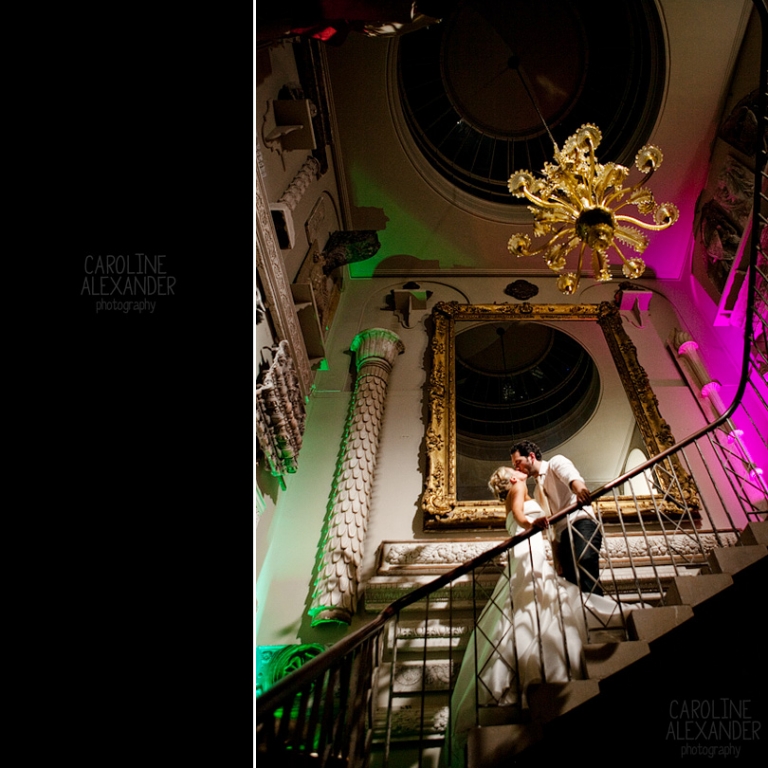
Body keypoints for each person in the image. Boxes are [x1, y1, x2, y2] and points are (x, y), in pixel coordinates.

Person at [443, 466, 587, 767]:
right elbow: (522, 515)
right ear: (510, 479)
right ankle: (535, 661)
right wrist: (533, 524)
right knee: (530, 594)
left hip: (524, 548)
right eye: (514, 470)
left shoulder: (513, 492)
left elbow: (519, 512)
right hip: (527, 544)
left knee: (524, 596)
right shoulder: (517, 490)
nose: (519, 472)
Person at [510, 440, 604, 596]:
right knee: (572, 582)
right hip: (563, 537)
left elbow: (571, 477)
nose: (516, 468)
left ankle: (600, 611)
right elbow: (551, 528)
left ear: (531, 456)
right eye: (514, 465)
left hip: (580, 522)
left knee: (585, 562)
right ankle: (584, 617)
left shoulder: (555, 463)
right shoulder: (536, 493)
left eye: (518, 462)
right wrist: (557, 558)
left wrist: (581, 490)